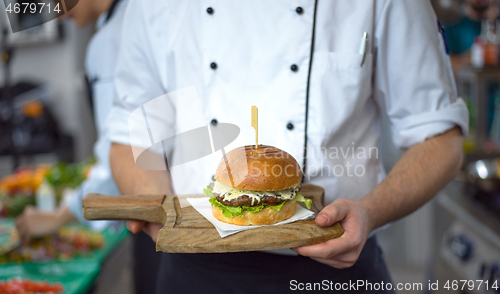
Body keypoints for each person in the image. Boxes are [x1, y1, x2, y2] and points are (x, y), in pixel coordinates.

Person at [106, 1, 468, 293]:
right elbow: (132, 134)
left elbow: (439, 137)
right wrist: (160, 211)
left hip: (335, 266)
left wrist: (370, 211)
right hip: (194, 268)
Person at [15, 1, 162, 293]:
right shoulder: (134, 17)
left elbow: (121, 152)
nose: (53, 10)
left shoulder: (111, 41)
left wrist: (59, 217)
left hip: (156, 221)